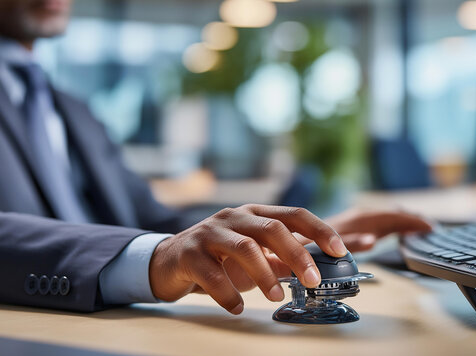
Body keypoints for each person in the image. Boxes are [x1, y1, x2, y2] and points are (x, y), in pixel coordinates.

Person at [0, 0, 431, 315]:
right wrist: (154, 259)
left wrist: (277, 233)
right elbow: (157, 246)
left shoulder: (69, 110)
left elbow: (156, 220)